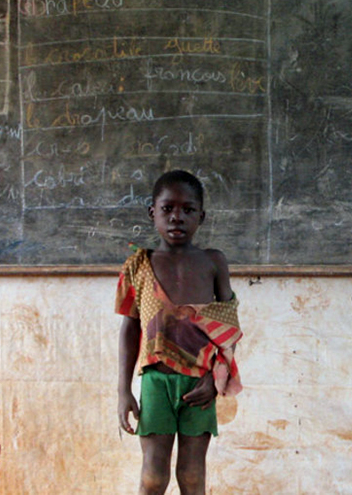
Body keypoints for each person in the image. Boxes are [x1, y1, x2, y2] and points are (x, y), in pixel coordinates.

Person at [116, 170, 242, 495]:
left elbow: (227, 330)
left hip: (199, 384)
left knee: (192, 476)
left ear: (201, 216)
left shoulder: (214, 262)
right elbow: (130, 328)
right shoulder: (138, 265)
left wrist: (216, 380)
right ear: (152, 212)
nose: (177, 217)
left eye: (188, 210)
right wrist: (123, 391)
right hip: (156, 381)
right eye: (168, 208)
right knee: (153, 477)